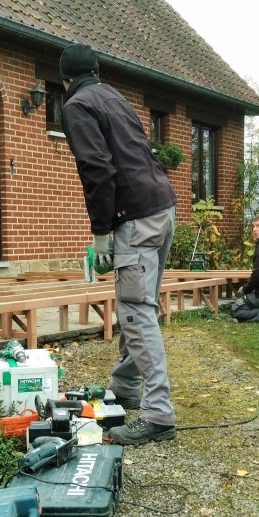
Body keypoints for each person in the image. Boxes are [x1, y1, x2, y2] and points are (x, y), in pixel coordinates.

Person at [59, 43, 178, 446]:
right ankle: (124, 387)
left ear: (65, 81)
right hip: (162, 207)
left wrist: (100, 231)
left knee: (134, 310)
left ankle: (158, 414)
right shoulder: (115, 97)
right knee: (139, 303)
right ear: (96, 71)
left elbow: (96, 167)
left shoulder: (76, 105)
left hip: (135, 217)